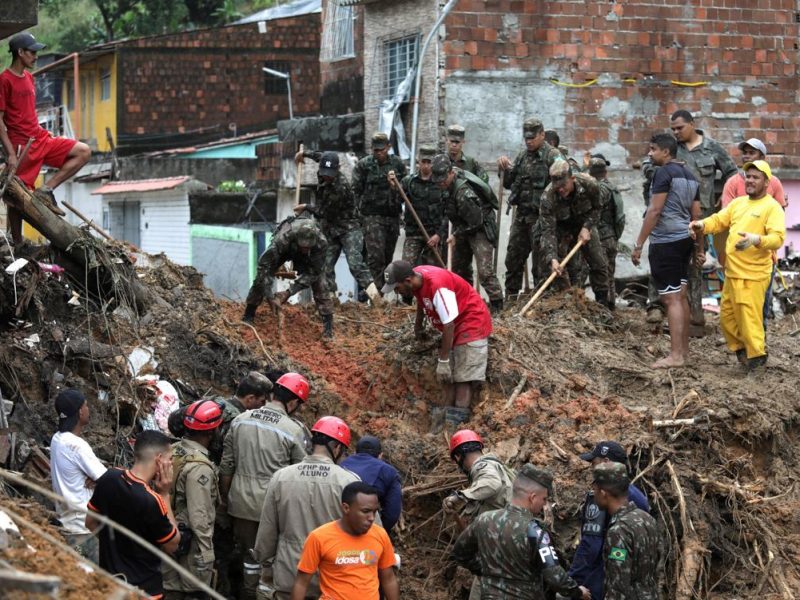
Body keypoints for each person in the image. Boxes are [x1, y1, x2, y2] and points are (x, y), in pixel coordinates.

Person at [219, 372, 310, 600]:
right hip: (273, 508)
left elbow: (227, 466)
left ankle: (246, 594)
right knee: (270, 560)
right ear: (293, 402)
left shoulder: (241, 419)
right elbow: (299, 475)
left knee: (248, 557)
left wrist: (226, 498)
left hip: (240, 505)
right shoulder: (293, 430)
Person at [689, 160, 785, 370]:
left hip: (754, 275)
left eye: (755, 177)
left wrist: (756, 240)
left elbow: (777, 238)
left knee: (749, 321)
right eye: (748, 176)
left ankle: (757, 359)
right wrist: (701, 225)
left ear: (766, 182)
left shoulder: (772, 207)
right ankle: (744, 352)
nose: (750, 180)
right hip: (732, 272)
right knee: (728, 319)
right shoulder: (738, 203)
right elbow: (719, 220)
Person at [253, 416, 360, 600]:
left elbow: (267, 530)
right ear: (336, 448)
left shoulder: (281, 477)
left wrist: (264, 562)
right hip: (332, 578)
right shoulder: (348, 482)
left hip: (290, 574)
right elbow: (368, 533)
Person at [0, 32, 91, 243]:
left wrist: (43, 131)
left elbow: (28, 112)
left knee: (83, 151)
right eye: (32, 52)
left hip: (40, 138)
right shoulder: (4, 80)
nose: (36, 56)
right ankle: (18, 243)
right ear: (20, 52)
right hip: (22, 146)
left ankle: (46, 189)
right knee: (15, 197)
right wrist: (11, 154)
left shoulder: (30, 78)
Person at [452, 464, 590, 600]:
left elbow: (460, 553)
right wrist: (578, 591)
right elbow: (555, 577)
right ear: (532, 497)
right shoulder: (535, 530)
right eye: (544, 499)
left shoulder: (483, 519)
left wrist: (485, 571)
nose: (544, 504)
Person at [382, 260, 493, 426]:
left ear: (407, 281)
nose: (397, 293)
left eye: (397, 288)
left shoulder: (438, 287)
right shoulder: (417, 276)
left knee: (463, 377)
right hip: (455, 322)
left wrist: (443, 360)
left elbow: (449, 324)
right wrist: (418, 327)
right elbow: (421, 299)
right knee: (448, 377)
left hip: (471, 320)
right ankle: (445, 413)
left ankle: (456, 422)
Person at [632, 133, 701, 368]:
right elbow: (696, 216)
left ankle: (676, 356)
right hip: (685, 240)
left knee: (670, 298)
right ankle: (684, 353)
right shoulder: (690, 176)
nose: (650, 154)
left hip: (666, 242)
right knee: (680, 296)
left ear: (666, 152)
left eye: (653, 149)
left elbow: (654, 211)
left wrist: (639, 243)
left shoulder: (663, 173)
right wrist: (699, 247)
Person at [86, 430, 180, 598]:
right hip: (145, 591)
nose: (171, 464)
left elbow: (90, 523)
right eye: (170, 459)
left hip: (109, 585)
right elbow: (172, 545)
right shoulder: (152, 501)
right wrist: (165, 494)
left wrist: (115, 548)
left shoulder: (109, 477)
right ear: (159, 460)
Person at [670, 110, 738, 334]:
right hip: (677, 214)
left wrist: (725, 194)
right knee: (673, 260)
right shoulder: (672, 147)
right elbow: (651, 163)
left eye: (679, 128)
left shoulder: (712, 147)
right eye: (673, 129)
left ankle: (696, 317)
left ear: (692, 124)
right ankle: (666, 312)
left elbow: (732, 172)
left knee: (695, 262)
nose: (676, 132)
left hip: (703, 217)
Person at [294, 149, 381, 303]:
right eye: (324, 171)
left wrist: (306, 206)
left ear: (338, 169)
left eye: (330, 173)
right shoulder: (326, 163)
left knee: (355, 265)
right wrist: (303, 154)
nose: (326, 176)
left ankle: (376, 299)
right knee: (325, 265)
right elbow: (319, 156)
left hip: (348, 227)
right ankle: (332, 300)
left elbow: (323, 212)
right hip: (330, 228)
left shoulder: (341, 187)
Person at [290, 482, 400, 600]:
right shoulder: (319, 537)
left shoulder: (380, 534)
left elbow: (388, 579)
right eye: (365, 511)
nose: (372, 518)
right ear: (346, 508)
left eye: (374, 511)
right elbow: (301, 583)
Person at [569, 442, 650, 600]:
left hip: (601, 581)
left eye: (594, 463)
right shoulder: (640, 498)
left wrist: (572, 581)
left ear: (606, 463)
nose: (592, 469)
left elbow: (591, 545)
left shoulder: (602, 496)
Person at [162, 400, 223, 598]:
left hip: (166, 534)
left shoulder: (172, 451)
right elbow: (200, 515)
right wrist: (207, 554)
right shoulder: (199, 467)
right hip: (190, 546)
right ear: (211, 431)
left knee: (169, 590)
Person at [497, 119, 562, 298]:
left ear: (542, 135)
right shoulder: (522, 157)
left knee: (540, 265)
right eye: (526, 138)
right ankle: (510, 300)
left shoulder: (552, 156)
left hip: (541, 219)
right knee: (513, 259)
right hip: (522, 217)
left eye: (532, 138)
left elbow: (563, 184)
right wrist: (503, 168)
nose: (528, 141)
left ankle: (540, 302)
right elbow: (510, 183)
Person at [430, 154, 504, 312]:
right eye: (438, 180)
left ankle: (498, 305)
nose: (440, 183)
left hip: (479, 227)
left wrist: (456, 235)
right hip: (463, 225)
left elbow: (475, 222)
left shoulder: (464, 193)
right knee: (458, 269)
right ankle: (468, 301)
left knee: (484, 271)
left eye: (443, 179)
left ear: (451, 173)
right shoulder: (444, 185)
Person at [241, 216, 334, 337]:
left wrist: (289, 292)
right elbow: (264, 266)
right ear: (297, 239)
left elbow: (314, 273)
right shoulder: (283, 238)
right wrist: (269, 295)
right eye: (303, 246)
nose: (305, 249)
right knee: (261, 279)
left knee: (321, 283)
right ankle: (249, 314)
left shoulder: (321, 243)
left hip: (310, 258)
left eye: (308, 247)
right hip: (286, 251)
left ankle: (328, 330)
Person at [540, 160, 611, 307]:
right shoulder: (548, 197)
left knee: (599, 263)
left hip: (584, 223)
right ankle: (568, 303)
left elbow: (598, 208)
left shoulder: (589, 184)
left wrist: (587, 227)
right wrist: (552, 258)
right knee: (557, 267)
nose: (560, 190)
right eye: (557, 187)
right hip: (561, 227)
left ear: (572, 179)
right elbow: (548, 231)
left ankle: (603, 305)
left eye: (563, 185)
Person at [49, 388, 107, 563]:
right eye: (86, 406)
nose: (88, 410)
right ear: (81, 411)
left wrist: (96, 480)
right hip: (83, 527)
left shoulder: (57, 439)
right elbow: (108, 482)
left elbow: (99, 478)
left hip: (67, 522)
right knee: (96, 579)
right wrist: (99, 481)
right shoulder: (77, 446)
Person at [592, 462, 661, 600]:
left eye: (594, 490)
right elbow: (659, 567)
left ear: (603, 493)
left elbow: (618, 588)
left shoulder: (618, 531)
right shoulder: (648, 519)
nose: (594, 494)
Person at [351, 132, 408, 290]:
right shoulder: (364, 165)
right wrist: (358, 217)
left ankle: (383, 291)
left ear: (388, 147)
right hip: (371, 217)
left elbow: (406, 189)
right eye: (376, 150)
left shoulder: (397, 164)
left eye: (382, 150)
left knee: (387, 258)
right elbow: (354, 191)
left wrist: (395, 186)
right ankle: (376, 294)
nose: (379, 153)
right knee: (376, 258)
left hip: (392, 217)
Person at [397, 145, 448, 267]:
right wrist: (394, 188)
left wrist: (439, 235)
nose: (426, 166)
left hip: (433, 236)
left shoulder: (441, 183)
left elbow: (448, 212)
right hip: (413, 234)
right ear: (418, 162)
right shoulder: (408, 182)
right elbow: (396, 201)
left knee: (432, 272)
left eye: (429, 162)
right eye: (423, 162)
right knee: (406, 269)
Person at [341, 435, 402, 532]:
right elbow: (392, 514)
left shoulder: (341, 465)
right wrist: (377, 531)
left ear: (355, 452)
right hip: (367, 531)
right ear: (380, 455)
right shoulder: (389, 471)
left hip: (338, 528)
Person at [589, 155, 625, 306]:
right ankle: (611, 306)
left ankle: (605, 308)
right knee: (609, 274)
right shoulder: (612, 187)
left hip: (601, 238)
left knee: (600, 274)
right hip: (612, 236)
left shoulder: (598, 190)